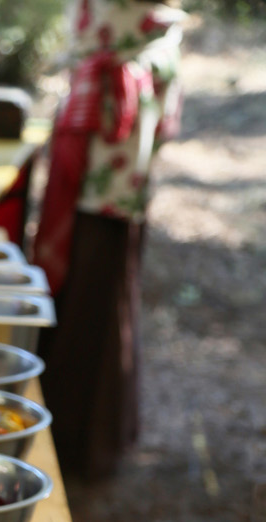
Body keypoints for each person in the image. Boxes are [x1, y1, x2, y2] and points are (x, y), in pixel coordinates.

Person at [33, 1, 183, 479]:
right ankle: (74, 436)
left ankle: (77, 442)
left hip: (111, 158)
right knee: (88, 290)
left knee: (93, 292)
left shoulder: (132, 39)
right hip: (110, 148)